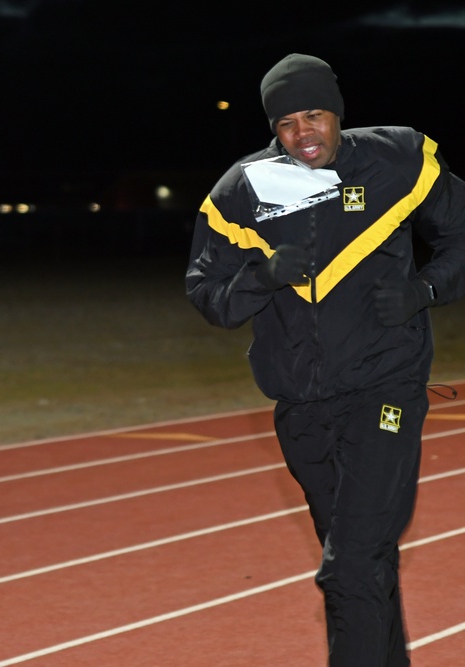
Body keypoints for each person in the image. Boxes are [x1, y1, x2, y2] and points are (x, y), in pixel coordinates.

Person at [185, 53, 465, 666]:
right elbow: (208, 296)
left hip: (386, 391)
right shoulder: (245, 190)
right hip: (302, 408)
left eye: (314, 114)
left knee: (348, 567)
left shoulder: (397, 159)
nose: (303, 132)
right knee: (363, 567)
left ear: (337, 114)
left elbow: (461, 234)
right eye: (287, 122)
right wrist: (262, 277)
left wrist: (425, 289)